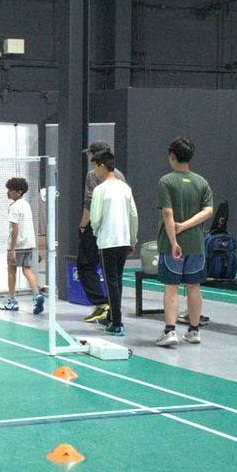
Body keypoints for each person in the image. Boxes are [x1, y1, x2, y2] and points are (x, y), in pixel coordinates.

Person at [155, 137, 215, 347]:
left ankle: (170, 330)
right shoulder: (201, 182)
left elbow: (168, 214)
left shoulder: (166, 182)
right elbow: (208, 212)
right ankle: (194, 330)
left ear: (172, 156)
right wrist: (188, 225)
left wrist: (174, 241)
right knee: (194, 286)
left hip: (173, 246)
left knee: (171, 287)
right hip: (196, 245)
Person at [87, 149, 138, 337]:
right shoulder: (125, 188)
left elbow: (95, 217)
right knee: (117, 280)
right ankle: (111, 318)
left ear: (102, 166)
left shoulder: (100, 190)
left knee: (111, 281)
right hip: (124, 241)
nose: (94, 171)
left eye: (95, 167)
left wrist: (96, 231)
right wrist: (132, 239)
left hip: (108, 241)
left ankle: (117, 322)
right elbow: (133, 215)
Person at [77, 141, 119, 324]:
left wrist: (83, 225)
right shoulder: (120, 176)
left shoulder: (93, 175)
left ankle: (102, 304)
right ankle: (113, 314)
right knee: (113, 275)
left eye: (89, 153)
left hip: (97, 229)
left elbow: (90, 203)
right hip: (118, 232)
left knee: (85, 265)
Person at [1, 176, 44, 314]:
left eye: (10, 190)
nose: (8, 193)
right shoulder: (26, 204)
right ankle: (37, 294)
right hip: (29, 243)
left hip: (18, 245)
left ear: (18, 192)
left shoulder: (14, 207)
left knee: (11, 270)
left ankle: (12, 301)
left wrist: (12, 249)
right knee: (26, 270)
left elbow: (15, 229)